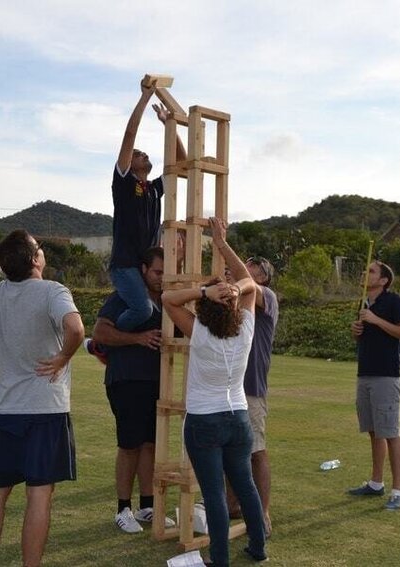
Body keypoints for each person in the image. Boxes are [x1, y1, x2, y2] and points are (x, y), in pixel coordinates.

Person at [0, 229, 85, 567]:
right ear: (36, 258)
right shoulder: (54, 290)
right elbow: (77, 329)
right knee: (39, 495)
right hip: (46, 411)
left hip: (6, 411)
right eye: (39, 247)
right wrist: (65, 356)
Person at [163, 217, 268, 566]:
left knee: (214, 495)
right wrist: (234, 280)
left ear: (206, 308)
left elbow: (169, 299)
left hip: (204, 422)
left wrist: (204, 292)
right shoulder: (247, 329)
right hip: (237, 418)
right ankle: (258, 548)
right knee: (245, 484)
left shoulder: (200, 332)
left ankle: (219, 561)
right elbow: (251, 285)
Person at [85, 81, 185, 361]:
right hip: (126, 264)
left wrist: (170, 126)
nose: (143, 154)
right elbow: (129, 135)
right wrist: (144, 98)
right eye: (139, 154)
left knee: (157, 308)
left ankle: (117, 340)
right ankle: (103, 344)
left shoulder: (154, 188)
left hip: (147, 265)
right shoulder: (125, 183)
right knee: (143, 310)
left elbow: (184, 162)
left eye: (144, 153)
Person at [91, 247, 177, 533]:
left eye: (167, 273)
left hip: (157, 382)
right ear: (143, 270)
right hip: (126, 381)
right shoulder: (127, 296)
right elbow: (100, 332)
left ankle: (147, 506)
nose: (161, 278)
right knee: (129, 446)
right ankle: (123, 509)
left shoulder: (169, 300)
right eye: (157, 272)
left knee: (151, 445)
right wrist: (138, 338)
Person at [347, 260, 400, 511]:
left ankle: (398, 491)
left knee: (391, 433)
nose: (366, 273)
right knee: (374, 431)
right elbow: (363, 337)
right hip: (364, 374)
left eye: (371, 271)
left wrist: (376, 320)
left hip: (386, 376)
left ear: (384, 280)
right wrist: (356, 331)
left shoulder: (395, 301)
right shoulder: (364, 303)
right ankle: (376, 483)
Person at [224, 254, 278, 537]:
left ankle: (263, 513)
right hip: (226, 388)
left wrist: (221, 243)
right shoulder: (231, 300)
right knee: (229, 450)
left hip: (251, 389)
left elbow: (245, 282)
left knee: (256, 452)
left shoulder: (266, 296)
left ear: (263, 278)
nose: (239, 274)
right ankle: (232, 505)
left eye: (249, 270)